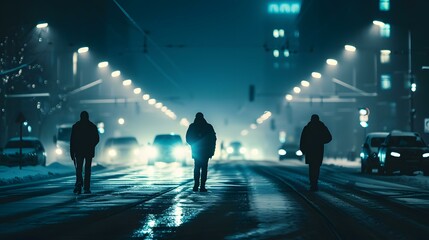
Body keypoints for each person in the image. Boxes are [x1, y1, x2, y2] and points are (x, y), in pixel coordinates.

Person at [299, 114, 332, 191]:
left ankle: (312, 182)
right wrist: (321, 141)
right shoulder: (322, 127)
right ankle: (315, 182)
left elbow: (302, 140)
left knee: (311, 167)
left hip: (310, 150)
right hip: (319, 150)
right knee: (316, 167)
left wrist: (303, 150)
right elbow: (329, 137)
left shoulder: (307, 128)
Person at [70, 111, 99, 194]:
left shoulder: (76, 126)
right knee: (87, 169)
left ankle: (79, 183)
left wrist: (72, 152)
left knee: (79, 168)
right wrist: (91, 145)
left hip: (78, 151)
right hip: (88, 151)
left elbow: (72, 141)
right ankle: (86, 187)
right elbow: (97, 138)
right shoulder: (92, 126)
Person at [186, 112, 216, 192]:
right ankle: (202, 186)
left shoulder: (192, 126)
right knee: (204, 169)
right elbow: (213, 140)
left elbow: (188, 138)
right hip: (205, 152)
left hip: (196, 151)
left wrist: (193, 144)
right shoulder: (208, 127)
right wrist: (212, 151)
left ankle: (196, 185)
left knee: (197, 168)